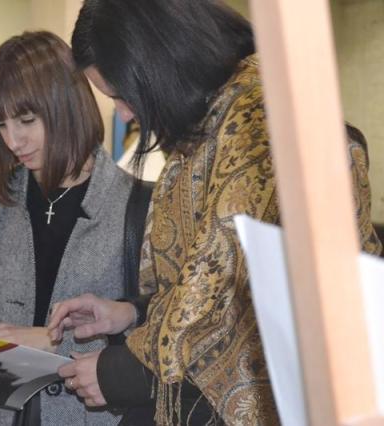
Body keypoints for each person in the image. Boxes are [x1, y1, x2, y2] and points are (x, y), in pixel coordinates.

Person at [47, 1, 383, 425]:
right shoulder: (211, 121)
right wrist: (132, 312)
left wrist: (119, 374)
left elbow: (219, 296)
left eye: (120, 95)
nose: (126, 114)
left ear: (161, 63)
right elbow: (206, 278)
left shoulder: (257, 123)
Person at [0, 31, 134, 426]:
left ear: (67, 105)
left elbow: (156, 341)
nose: (13, 140)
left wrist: (50, 342)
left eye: (26, 120)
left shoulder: (133, 206)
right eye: (1, 124)